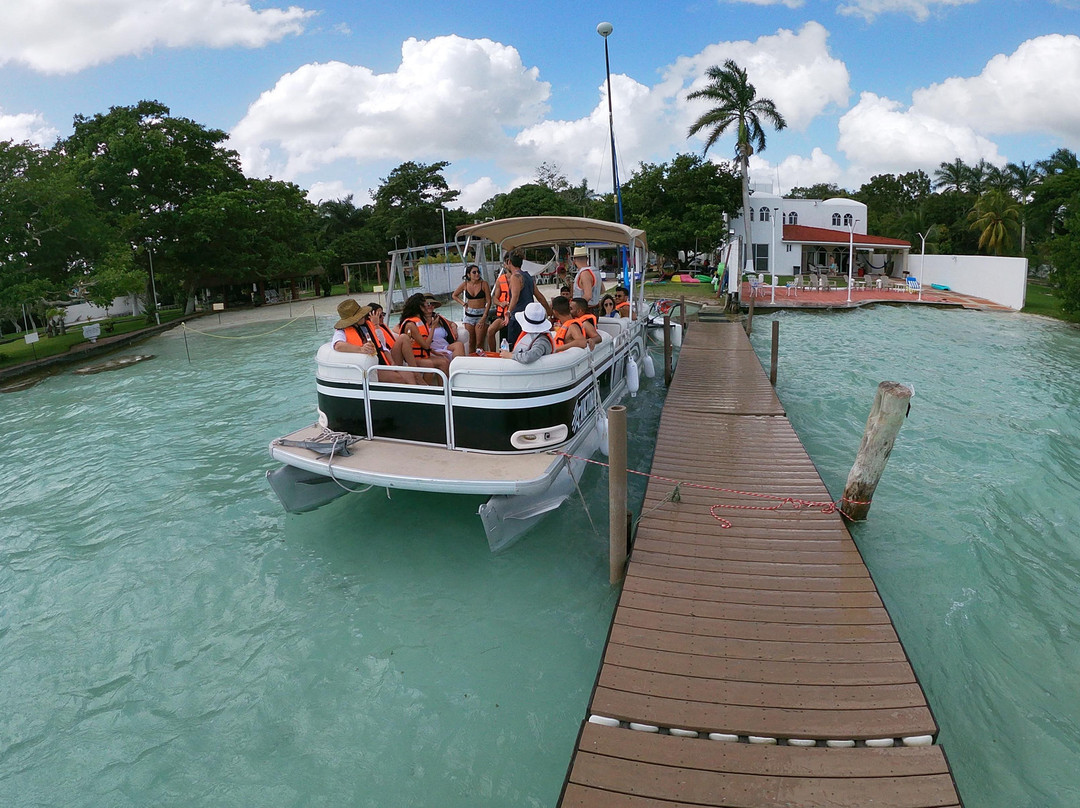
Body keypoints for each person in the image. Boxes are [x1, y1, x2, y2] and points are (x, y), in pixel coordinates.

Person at [332, 299, 419, 384]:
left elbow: (381, 346)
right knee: (398, 378)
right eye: (361, 315)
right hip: (369, 368)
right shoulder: (341, 331)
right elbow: (338, 345)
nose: (364, 316)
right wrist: (361, 349)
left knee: (409, 375)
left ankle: (416, 397)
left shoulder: (367, 326)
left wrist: (392, 363)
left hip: (381, 362)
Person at [398, 293, 449, 383]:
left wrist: (435, 353)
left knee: (444, 362)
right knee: (429, 364)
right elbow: (425, 345)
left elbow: (425, 344)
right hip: (412, 359)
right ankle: (426, 391)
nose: (428, 306)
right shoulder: (411, 324)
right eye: (426, 304)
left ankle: (443, 392)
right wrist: (433, 327)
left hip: (423, 355)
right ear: (420, 307)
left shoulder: (420, 321)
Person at [503, 251, 549, 348]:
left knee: (514, 346)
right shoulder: (528, 276)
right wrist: (549, 311)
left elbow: (515, 297)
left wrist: (508, 311)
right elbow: (539, 296)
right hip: (529, 318)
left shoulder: (515, 277)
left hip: (517, 318)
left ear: (509, 261)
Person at [452, 264, 490, 355]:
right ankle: (471, 360)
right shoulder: (465, 284)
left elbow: (489, 301)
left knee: (479, 342)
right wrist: (463, 303)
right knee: (471, 341)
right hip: (469, 315)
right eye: (474, 272)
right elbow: (454, 295)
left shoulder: (484, 284)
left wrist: (484, 316)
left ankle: (480, 361)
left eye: (478, 272)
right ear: (468, 275)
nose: (477, 274)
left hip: (481, 315)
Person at [485, 262, 513, 351]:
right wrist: (501, 303)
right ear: (505, 264)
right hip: (502, 315)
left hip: (514, 315)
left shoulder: (519, 278)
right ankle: (494, 354)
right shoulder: (500, 280)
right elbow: (495, 299)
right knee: (490, 330)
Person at [571, 245, 602, 310]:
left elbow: (588, 296)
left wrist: (576, 307)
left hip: (586, 309)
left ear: (574, 261)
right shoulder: (595, 271)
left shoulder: (584, 273)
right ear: (587, 258)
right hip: (595, 307)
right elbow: (602, 290)